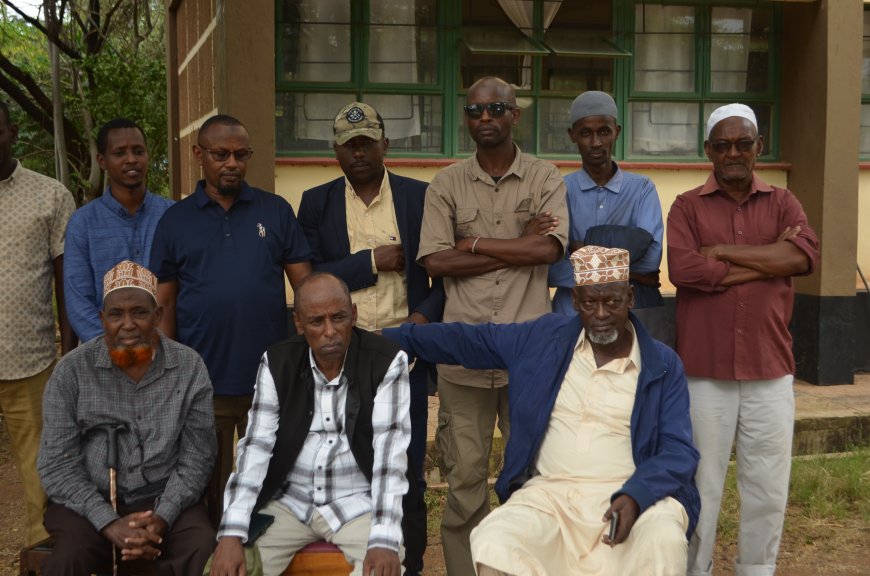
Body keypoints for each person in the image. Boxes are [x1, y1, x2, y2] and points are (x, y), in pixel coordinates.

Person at [383, 246, 700, 576]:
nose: (602, 313)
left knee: (662, 538)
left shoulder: (662, 364)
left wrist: (638, 494)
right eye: (591, 303)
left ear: (630, 297)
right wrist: (393, 339)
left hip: (631, 494)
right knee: (497, 540)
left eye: (613, 301)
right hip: (550, 496)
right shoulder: (543, 339)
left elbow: (679, 451)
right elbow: (470, 341)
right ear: (575, 301)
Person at [416, 76, 568, 574]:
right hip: (464, 359)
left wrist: (473, 245)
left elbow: (547, 250)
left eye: (496, 109)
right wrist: (515, 245)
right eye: (476, 111)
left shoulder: (546, 177)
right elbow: (435, 264)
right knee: (464, 484)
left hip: (529, 361)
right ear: (467, 117)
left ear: (514, 114)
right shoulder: (446, 184)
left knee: (530, 479)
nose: (485, 118)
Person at [667, 103, 819, 576]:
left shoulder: (783, 202)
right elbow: (685, 269)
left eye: (743, 143)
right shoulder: (687, 206)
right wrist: (766, 258)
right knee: (701, 485)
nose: (733, 152)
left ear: (759, 146)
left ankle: (757, 570)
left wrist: (726, 254)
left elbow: (802, 258)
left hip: (769, 368)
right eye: (723, 144)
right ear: (708, 150)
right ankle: (697, 570)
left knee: (768, 487)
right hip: (704, 370)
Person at [297, 102, 443, 575]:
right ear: (336, 150)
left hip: (405, 353)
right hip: (343, 355)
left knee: (407, 471)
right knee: (347, 466)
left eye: (367, 142)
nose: (358, 152)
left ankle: (412, 564)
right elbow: (311, 281)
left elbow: (441, 273)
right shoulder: (316, 202)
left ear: (385, 144)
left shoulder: (420, 197)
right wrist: (371, 261)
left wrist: (421, 319)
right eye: (349, 144)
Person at [150, 114, 312, 521]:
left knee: (273, 487)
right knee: (210, 490)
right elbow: (164, 305)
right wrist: (172, 370)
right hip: (205, 384)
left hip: (269, 381)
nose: (232, 163)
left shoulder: (275, 211)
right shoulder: (175, 221)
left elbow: (307, 291)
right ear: (198, 155)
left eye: (241, 154)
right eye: (220, 154)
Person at [209, 272, 411, 576]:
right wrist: (231, 532)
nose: (330, 331)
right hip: (289, 503)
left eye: (339, 317)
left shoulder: (386, 361)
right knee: (229, 568)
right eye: (317, 321)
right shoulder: (277, 362)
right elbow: (255, 449)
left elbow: (389, 458)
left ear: (353, 315)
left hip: (357, 505)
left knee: (382, 571)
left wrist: (384, 539)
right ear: (299, 323)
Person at [37, 260, 216, 575]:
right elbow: (56, 464)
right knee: (70, 557)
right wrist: (108, 522)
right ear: (102, 320)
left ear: (157, 316)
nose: (128, 324)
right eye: (116, 315)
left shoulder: (189, 368)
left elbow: (197, 459)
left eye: (140, 312)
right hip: (90, 502)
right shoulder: (72, 372)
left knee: (202, 547)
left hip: (165, 499)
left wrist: (161, 517)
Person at [0, 100, 76, 545]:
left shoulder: (50, 195)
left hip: (29, 361)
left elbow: (64, 284)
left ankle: (40, 557)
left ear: (11, 133)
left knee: (40, 475)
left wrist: (67, 355)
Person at [548, 91, 668, 342]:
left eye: (604, 131)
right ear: (572, 135)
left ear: (617, 131)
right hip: (570, 316)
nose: (595, 142)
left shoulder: (642, 189)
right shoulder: (558, 191)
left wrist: (581, 248)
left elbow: (650, 262)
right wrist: (631, 270)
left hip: (632, 315)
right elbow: (552, 269)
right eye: (585, 133)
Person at [65, 117, 174, 342]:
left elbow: (181, 293)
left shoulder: (173, 215)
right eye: (120, 153)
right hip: (105, 358)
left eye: (138, 151)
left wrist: (160, 351)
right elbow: (79, 302)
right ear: (102, 160)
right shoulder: (83, 224)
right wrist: (115, 348)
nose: (131, 159)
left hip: (166, 356)